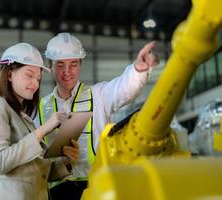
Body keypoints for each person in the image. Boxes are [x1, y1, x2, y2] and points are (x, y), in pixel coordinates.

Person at [35, 32, 159, 200]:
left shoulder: (99, 95)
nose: (67, 72)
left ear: (80, 65)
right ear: (50, 67)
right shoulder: (41, 108)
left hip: (96, 186)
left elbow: (125, 88)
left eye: (73, 64)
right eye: (60, 65)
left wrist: (139, 70)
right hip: (57, 191)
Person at [0, 43, 80, 200]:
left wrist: (65, 161)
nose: (35, 84)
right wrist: (43, 130)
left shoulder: (22, 117)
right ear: (10, 74)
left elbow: (36, 172)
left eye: (38, 78)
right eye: (29, 75)